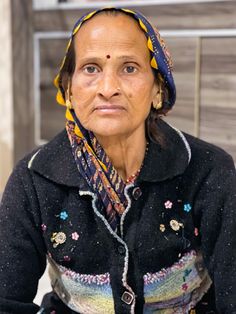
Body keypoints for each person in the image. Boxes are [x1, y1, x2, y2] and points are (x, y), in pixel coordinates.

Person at [0, 7, 235, 314]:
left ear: (157, 90)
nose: (108, 89)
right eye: (91, 68)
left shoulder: (209, 172)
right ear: (68, 89)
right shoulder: (33, 179)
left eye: (129, 68)